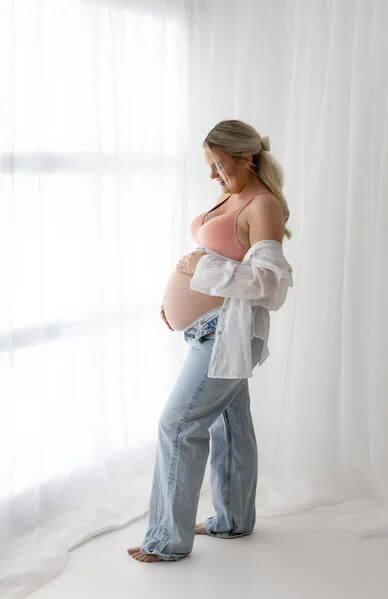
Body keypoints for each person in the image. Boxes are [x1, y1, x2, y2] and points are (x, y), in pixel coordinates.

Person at [127, 119, 293, 562]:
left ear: (245, 157)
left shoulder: (263, 205)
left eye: (219, 164)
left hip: (229, 333)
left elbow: (271, 284)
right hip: (208, 329)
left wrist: (198, 273)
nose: (212, 175)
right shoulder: (231, 195)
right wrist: (177, 300)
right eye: (209, 165)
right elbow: (219, 260)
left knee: (177, 425)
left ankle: (166, 542)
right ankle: (234, 519)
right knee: (229, 423)